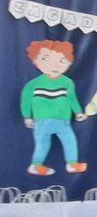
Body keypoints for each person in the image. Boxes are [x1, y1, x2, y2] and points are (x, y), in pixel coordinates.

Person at [20, 40, 88, 176]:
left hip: (63, 120)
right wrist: (27, 116)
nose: (55, 65)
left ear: (69, 62)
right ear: (36, 61)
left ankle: (72, 164)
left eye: (61, 61)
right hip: (42, 120)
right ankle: (36, 165)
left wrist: (78, 112)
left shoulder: (67, 82)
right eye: (46, 60)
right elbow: (26, 100)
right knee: (42, 144)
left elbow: (72, 99)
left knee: (70, 141)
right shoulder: (33, 84)